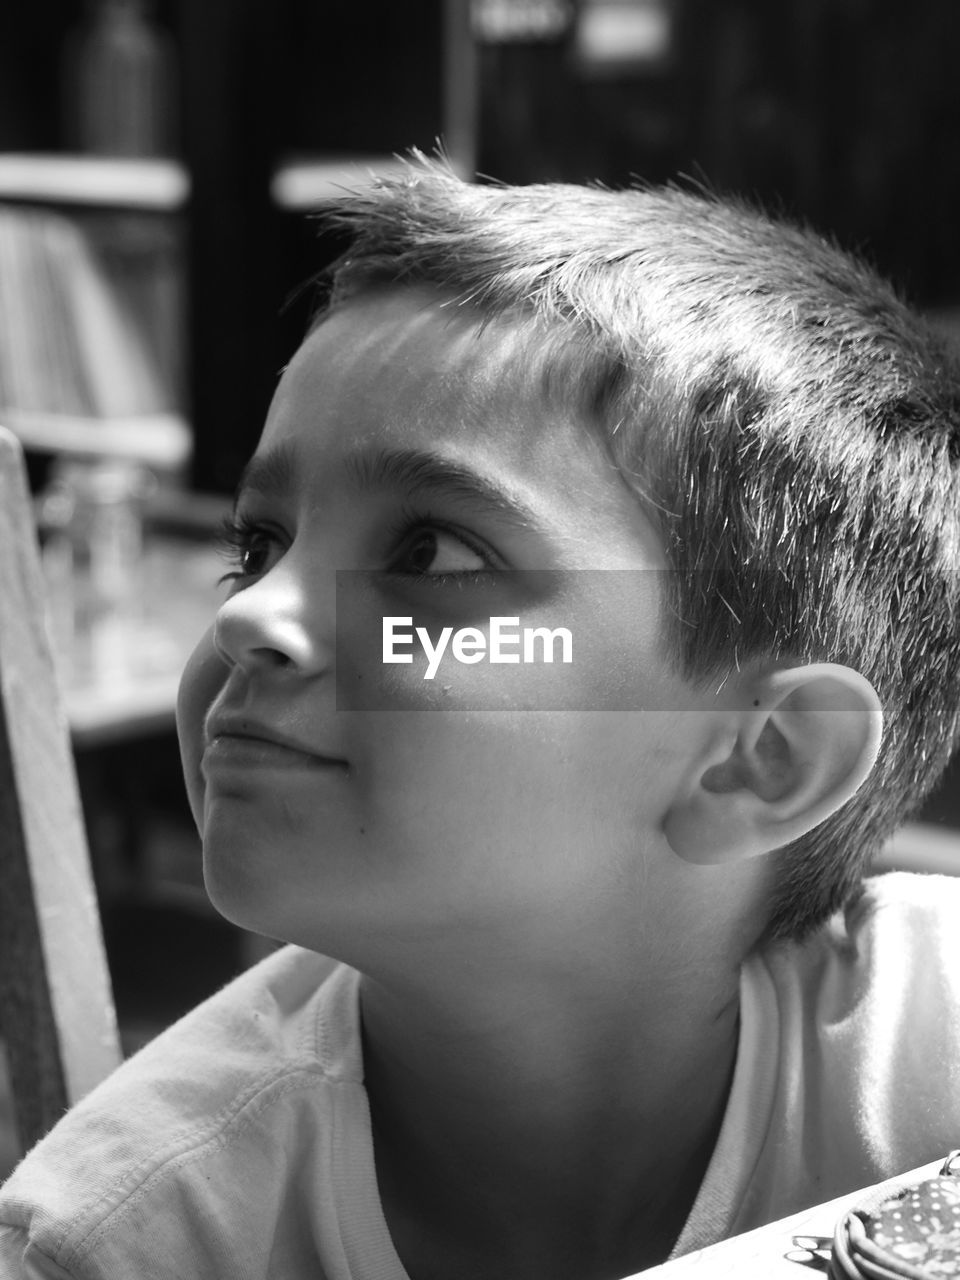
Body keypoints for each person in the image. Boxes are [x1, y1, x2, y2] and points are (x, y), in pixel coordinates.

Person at [2, 157, 960, 1280]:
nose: (253, 613)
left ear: (759, 757)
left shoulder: (932, 1046)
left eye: (429, 552)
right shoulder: (123, 1243)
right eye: (257, 545)